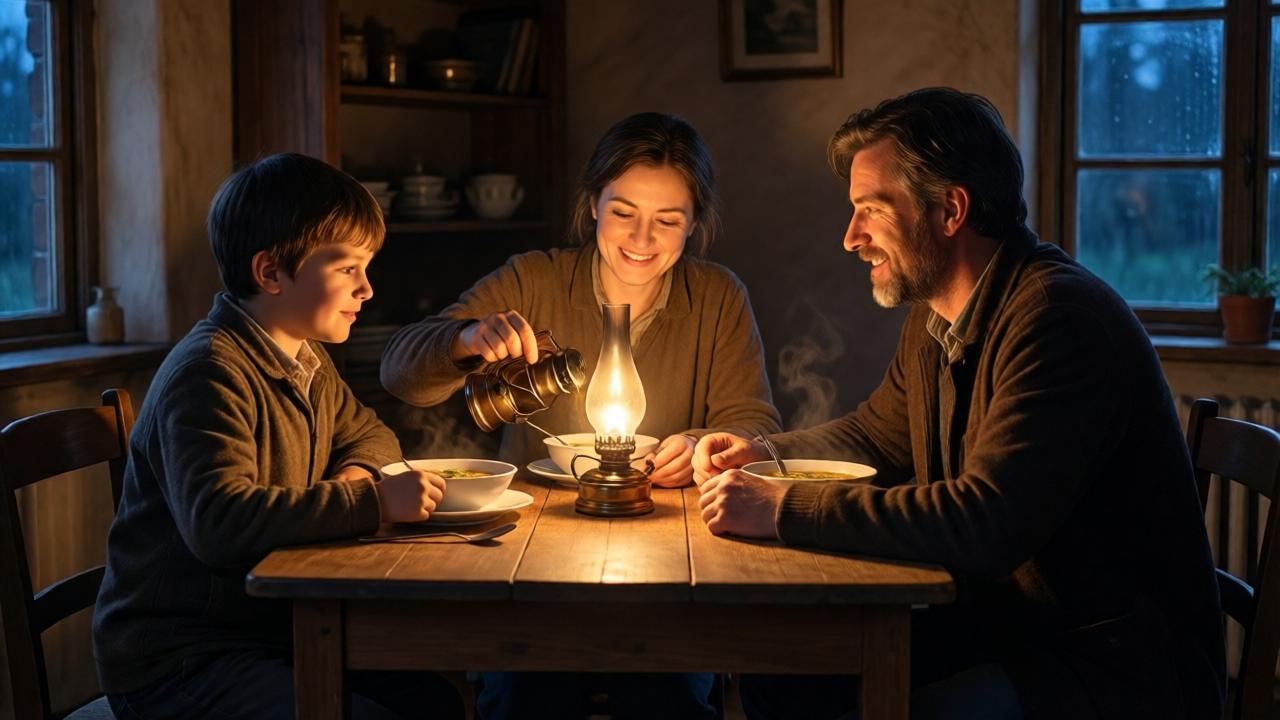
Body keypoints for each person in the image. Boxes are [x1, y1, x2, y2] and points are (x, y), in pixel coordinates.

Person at [692, 88, 1226, 720]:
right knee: (787, 662)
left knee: (862, 691)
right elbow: (876, 436)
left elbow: (984, 523)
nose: (850, 237)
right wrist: (764, 456)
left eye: (871, 209)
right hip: (1012, 629)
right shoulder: (938, 315)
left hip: (1106, 670)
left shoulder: (1058, 321)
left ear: (950, 210)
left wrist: (782, 507)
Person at [382, 112, 782, 719]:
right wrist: (466, 337)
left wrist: (705, 443)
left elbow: (756, 426)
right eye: (624, 212)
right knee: (525, 694)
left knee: (667, 694)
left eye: (668, 220)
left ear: (694, 223)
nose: (642, 238)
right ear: (593, 202)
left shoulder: (718, 298)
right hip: (529, 565)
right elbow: (399, 373)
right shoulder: (535, 278)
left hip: (673, 571)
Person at [93, 153, 464, 720]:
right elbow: (219, 523)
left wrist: (359, 477)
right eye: (347, 269)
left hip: (271, 631)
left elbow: (370, 434)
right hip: (181, 659)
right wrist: (369, 502)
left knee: (438, 698)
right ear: (270, 273)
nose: (367, 289)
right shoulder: (209, 372)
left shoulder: (303, 356)